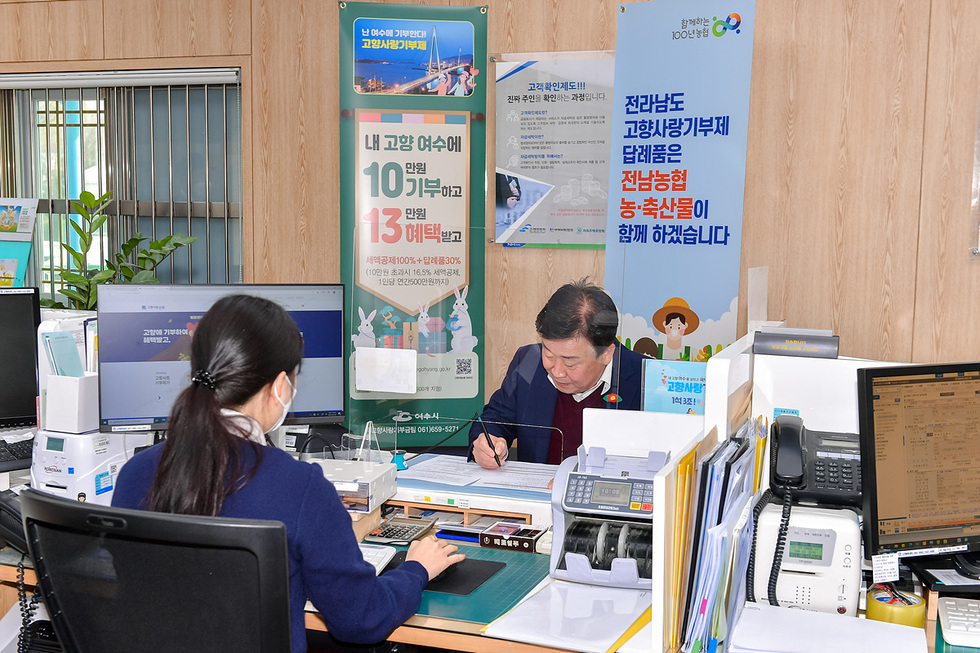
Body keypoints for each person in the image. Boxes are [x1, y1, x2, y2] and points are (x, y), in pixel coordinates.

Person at [112, 294, 463, 652]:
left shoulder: (135, 473)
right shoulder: (299, 486)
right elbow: (362, 619)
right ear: (281, 386)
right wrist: (416, 570)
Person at [468, 279, 648, 469]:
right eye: (548, 353)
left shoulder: (647, 378)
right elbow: (494, 419)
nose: (557, 371)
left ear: (606, 354)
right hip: (537, 494)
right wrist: (486, 443)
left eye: (570, 362)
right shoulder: (529, 361)